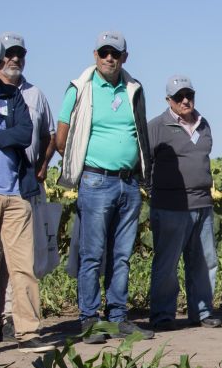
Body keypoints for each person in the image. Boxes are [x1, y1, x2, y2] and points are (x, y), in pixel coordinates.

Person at [55, 31, 153, 344]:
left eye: (116, 53)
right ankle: (88, 319)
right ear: (95, 55)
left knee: (122, 256)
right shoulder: (80, 88)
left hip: (128, 184)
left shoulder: (133, 89)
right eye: (104, 52)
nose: (109, 58)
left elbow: (139, 132)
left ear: (125, 57)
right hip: (95, 181)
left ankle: (118, 317)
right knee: (92, 254)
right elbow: (61, 136)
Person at [0, 35, 54, 355]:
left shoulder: (16, 97)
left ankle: (28, 331)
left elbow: (24, 134)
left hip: (16, 192)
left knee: (23, 265)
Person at [147, 75, 221, 330]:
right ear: (169, 100)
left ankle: (202, 312)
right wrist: (151, 191)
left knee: (204, 262)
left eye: (189, 95)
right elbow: (143, 162)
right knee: (167, 264)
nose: (185, 100)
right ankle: (163, 315)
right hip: (170, 206)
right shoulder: (157, 126)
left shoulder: (204, 124)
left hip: (202, 203)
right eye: (179, 97)